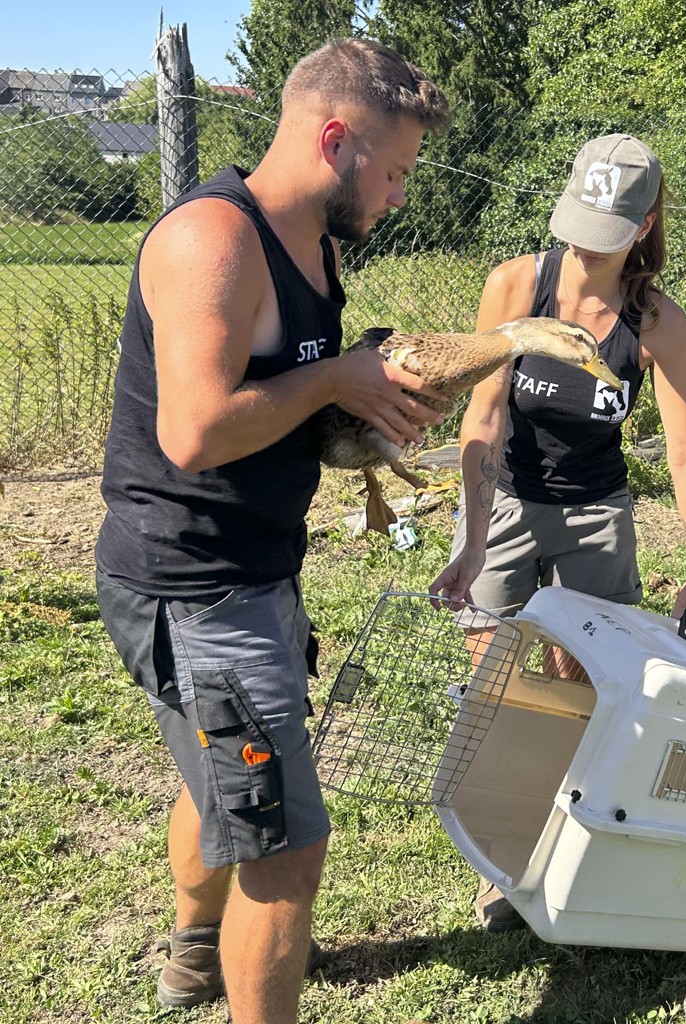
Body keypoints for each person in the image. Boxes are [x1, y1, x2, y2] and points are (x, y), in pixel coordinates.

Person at [94, 39, 449, 1023]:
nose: (399, 196)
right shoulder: (213, 239)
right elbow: (196, 432)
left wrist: (364, 399)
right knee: (287, 847)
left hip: (256, 566)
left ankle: (195, 954)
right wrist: (337, 379)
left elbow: (284, 392)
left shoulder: (316, 247)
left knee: (221, 780)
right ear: (335, 141)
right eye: (394, 172)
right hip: (192, 585)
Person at [428, 133, 686, 931]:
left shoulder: (654, 321)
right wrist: (473, 538)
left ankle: (560, 841)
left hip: (595, 515)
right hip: (504, 503)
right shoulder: (515, 284)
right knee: (496, 692)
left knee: (576, 691)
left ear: (643, 225)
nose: (584, 248)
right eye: (577, 226)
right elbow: (483, 417)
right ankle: (501, 859)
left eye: (606, 233)